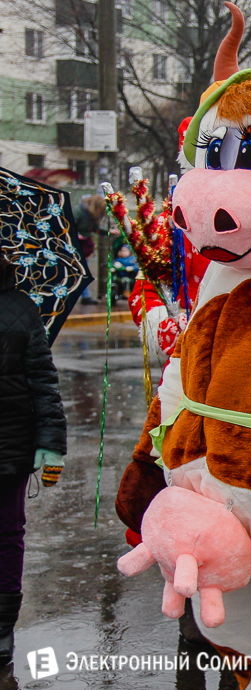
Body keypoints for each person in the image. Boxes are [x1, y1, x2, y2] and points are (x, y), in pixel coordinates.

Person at [0, 250, 67, 667]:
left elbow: (43, 381)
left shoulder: (22, 308)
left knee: (6, 537)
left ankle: (2, 627)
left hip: (9, 447)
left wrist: (51, 443)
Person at [72, 195, 105, 305]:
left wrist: (108, 232)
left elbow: (96, 229)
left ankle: (86, 296)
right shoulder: (78, 212)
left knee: (83, 272)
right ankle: (84, 296)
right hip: (75, 246)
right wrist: (76, 236)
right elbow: (69, 226)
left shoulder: (91, 215)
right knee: (81, 272)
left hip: (84, 247)